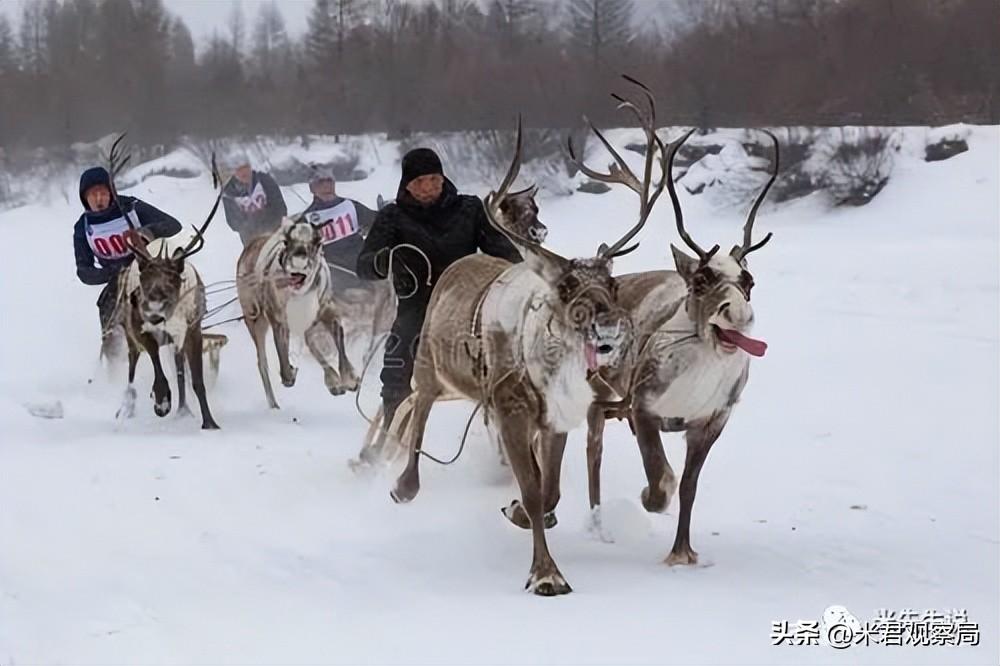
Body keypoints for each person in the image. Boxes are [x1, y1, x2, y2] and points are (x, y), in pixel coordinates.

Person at [356, 147, 522, 425]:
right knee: (398, 360)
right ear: (407, 185)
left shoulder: (469, 209)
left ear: (443, 179)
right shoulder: (392, 217)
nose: (428, 187)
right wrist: (387, 259)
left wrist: (520, 275)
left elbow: (504, 253)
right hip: (417, 306)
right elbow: (363, 267)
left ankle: (512, 427)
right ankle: (392, 425)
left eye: (434, 179)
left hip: (466, 305)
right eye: (419, 181)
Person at [73, 166, 182, 334]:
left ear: (112, 192)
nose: (99, 199)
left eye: (103, 192)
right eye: (93, 195)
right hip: (119, 278)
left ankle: (189, 328)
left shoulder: (131, 207)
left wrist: (145, 234)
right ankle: (112, 348)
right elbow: (83, 272)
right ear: (85, 199)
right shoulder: (83, 227)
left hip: (150, 267)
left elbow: (173, 225)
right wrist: (110, 272)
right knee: (105, 305)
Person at [301, 167, 377, 291]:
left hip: (362, 266)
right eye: (320, 182)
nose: (326, 185)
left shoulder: (349, 206)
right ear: (312, 188)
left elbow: (377, 221)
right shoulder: (307, 219)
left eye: (329, 180)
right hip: (334, 276)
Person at [221, 155, 287, 246]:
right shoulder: (229, 193)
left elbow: (280, 207)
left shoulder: (265, 180)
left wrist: (268, 219)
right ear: (234, 172)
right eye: (239, 169)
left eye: (246, 167)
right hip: (252, 241)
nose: (244, 172)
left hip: (275, 232)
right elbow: (234, 222)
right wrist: (251, 224)